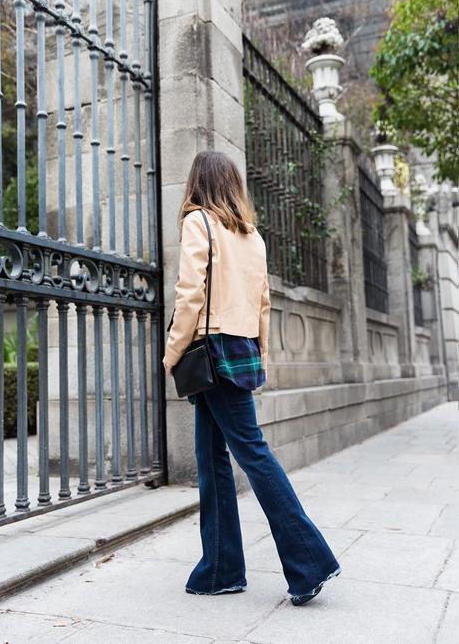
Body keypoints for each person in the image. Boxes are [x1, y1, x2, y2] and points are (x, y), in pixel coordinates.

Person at [162, 151, 341, 605]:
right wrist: (259, 352)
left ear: (197, 183)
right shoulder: (252, 236)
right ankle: (220, 568)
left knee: (253, 454)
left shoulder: (198, 221)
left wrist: (172, 351)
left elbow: (189, 295)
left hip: (211, 351)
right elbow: (263, 304)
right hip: (239, 348)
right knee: (212, 458)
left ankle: (310, 563)